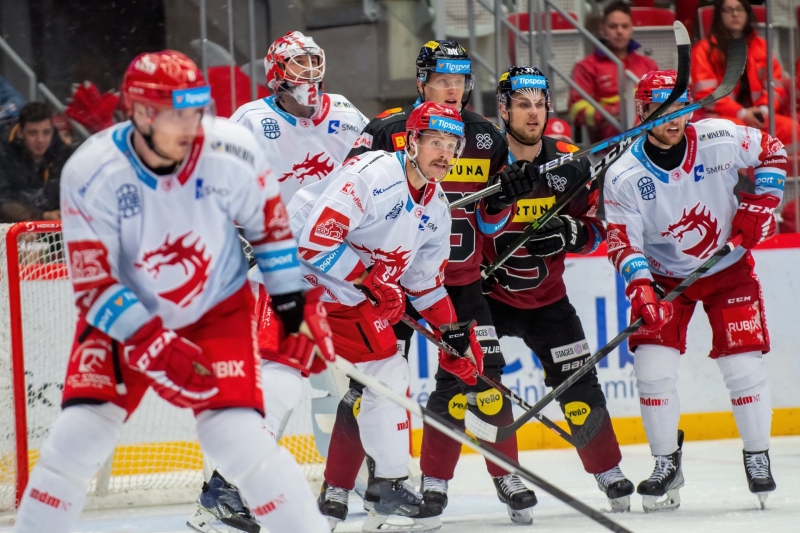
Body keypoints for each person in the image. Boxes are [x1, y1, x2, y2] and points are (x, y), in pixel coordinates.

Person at [12, 50, 334, 533]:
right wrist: (157, 346)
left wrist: (294, 305)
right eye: (177, 113)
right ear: (140, 114)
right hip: (122, 311)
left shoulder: (232, 149)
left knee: (241, 440)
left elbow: (271, 233)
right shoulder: (91, 169)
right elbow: (94, 286)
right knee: (75, 443)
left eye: (197, 109)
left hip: (214, 309)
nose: (193, 124)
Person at [327, 39, 538, 529]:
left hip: (454, 282)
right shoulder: (386, 131)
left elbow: (488, 226)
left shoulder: (485, 137)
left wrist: (506, 197)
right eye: (442, 79)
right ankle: (344, 486)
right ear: (422, 81)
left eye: (460, 80)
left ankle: (507, 476)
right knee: (369, 386)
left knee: (482, 376)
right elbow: (347, 202)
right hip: (384, 282)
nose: (452, 89)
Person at [187, 31, 370, 532]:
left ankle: (374, 480)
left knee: (363, 378)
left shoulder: (349, 115)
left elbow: (370, 180)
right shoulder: (249, 122)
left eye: (315, 60)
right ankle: (225, 486)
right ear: (276, 72)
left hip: (337, 266)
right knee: (285, 382)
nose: (309, 71)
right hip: (281, 272)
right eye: (298, 62)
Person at [288, 102, 483, 532]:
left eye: (453, 146)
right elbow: (313, 243)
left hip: (342, 295)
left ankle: (390, 486)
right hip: (288, 283)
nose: (445, 155)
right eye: (436, 142)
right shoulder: (373, 174)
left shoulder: (435, 206)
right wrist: (371, 280)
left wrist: (453, 336)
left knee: (389, 372)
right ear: (412, 141)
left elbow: (425, 285)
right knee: (279, 385)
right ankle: (226, 487)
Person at [604, 70, 785, 512]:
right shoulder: (623, 173)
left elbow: (773, 151)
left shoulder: (718, 137)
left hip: (728, 266)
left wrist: (762, 204)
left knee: (742, 365)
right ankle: (667, 463)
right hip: (666, 278)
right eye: (662, 110)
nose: (674, 119)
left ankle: (757, 454)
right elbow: (622, 241)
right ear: (642, 111)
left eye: (681, 108)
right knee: (652, 368)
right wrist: (641, 288)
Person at [481, 66, 634, 512]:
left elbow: (599, 229)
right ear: (503, 109)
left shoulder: (571, 160)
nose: (533, 113)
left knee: (579, 382)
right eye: (522, 104)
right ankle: (507, 479)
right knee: (486, 387)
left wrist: (572, 233)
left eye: (539, 104)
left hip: (547, 299)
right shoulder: (481, 159)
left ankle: (608, 469)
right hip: (487, 298)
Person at [692, 0, 795, 148]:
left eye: (740, 9)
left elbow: (776, 87)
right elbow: (706, 94)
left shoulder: (762, 47)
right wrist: (741, 113)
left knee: (792, 129)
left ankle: (784, 170)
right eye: (728, 10)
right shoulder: (703, 50)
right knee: (738, 133)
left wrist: (764, 110)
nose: (735, 14)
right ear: (719, 15)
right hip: (721, 117)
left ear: (747, 13)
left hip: (760, 115)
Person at [568, 1, 659, 143]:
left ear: (631, 29)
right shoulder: (586, 67)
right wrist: (613, 112)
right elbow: (575, 110)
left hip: (648, 125)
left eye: (625, 26)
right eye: (613, 26)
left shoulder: (647, 64)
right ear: (602, 30)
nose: (619, 31)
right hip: (609, 133)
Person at [0, 103, 72, 222]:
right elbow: (3, 202)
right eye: (33, 133)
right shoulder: (4, 155)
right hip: (11, 230)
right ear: (20, 132)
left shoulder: (64, 155)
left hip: (55, 233)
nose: (40, 140)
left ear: (53, 131)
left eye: (46, 132)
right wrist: (41, 216)